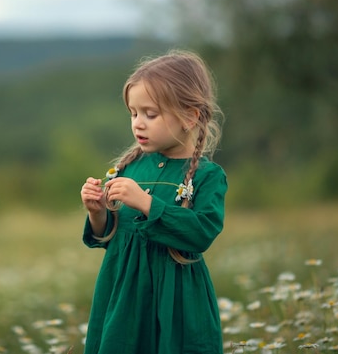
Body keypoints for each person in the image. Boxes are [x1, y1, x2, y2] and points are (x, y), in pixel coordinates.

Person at [80, 50, 228, 353]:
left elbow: (201, 233)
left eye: (150, 114)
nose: (138, 124)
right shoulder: (129, 168)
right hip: (124, 296)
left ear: (189, 116)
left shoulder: (207, 176)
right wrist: (97, 212)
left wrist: (147, 204)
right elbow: (112, 235)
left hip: (176, 299)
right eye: (133, 114)